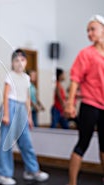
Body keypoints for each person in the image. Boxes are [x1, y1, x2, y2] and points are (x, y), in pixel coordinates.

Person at [0, 49, 49, 185]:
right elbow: (5, 95)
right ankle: (2, 174)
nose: (19, 63)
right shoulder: (10, 76)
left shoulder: (26, 78)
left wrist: (29, 117)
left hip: (22, 109)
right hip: (10, 107)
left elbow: (27, 98)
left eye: (22, 60)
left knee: (26, 142)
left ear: (26, 62)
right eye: (16, 60)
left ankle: (32, 170)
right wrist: (6, 114)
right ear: (12, 63)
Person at [65, 15, 104, 185]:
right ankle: (72, 183)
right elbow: (75, 79)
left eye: (92, 29)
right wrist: (70, 103)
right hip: (90, 104)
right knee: (83, 143)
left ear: (103, 29)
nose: (89, 33)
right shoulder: (86, 54)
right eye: (87, 30)